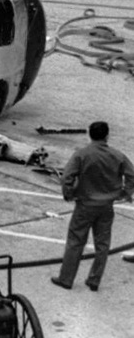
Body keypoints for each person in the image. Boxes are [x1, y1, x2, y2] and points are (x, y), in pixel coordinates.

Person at [51, 121, 134, 292]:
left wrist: (68, 194)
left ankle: (66, 278)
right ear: (107, 135)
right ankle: (94, 279)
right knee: (102, 245)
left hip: (85, 205)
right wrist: (125, 193)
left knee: (75, 241)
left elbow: (67, 176)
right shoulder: (117, 155)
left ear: (89, 134)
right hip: (106, 206)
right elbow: (131, 174)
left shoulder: (82, 154)